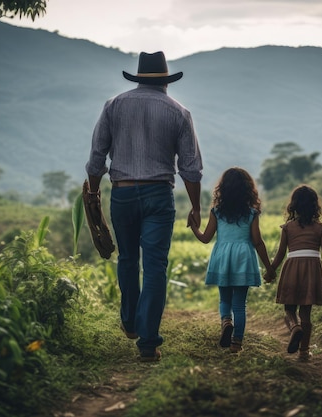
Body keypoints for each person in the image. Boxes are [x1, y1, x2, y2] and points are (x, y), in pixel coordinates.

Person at [85, 51, 203, 362]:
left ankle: (129, 320)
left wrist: (94, 196)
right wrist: (196, 206)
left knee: (127, 258)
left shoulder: (114, 105)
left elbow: (97, 157)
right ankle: (148, 343)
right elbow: (190, 168)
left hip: (122, 194)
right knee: (155, 268)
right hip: (159, 196)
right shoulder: (179, 112)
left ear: (138, 78)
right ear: (166, 82)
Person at [189, 167, 275, 353]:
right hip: (243, 257)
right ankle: (236, 344)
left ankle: (226, 321)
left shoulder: (217, 211)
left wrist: (194, 227)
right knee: (240, 304)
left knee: (224, 299)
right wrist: (269, 267)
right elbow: (258, 242)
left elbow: (205, 238)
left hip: (223, 256)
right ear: (248, 189)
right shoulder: (251, 213)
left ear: (223, 189)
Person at [265, 185, 322, 360]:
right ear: (315, 206)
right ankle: (304, 353)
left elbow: (280, 254)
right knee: (306, 313)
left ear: (294, 206)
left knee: (289, 309)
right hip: (312, 268)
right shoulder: (320, 228)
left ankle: (294, 328)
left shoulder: (287, 228)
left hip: (292, 266)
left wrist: (270, 271)